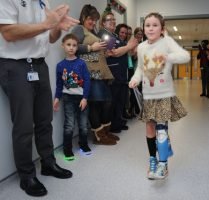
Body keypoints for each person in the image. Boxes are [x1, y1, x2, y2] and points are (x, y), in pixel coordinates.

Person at [0, 1, 78, 197]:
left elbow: (50, 38)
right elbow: (8, 32)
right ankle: (26, 176)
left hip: (39, 65)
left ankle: (48, 163)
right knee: (24, 126)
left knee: (45, 120)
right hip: (15, 66)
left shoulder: (43, 1)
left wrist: (57, 27)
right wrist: (47, 24)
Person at [129, 12, 190, 180]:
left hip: (164, 94)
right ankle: (153, 159)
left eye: (155, 25)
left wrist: (168, 56)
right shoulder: (141, 47)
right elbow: (140, 68)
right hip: (148, 96)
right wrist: (135, 79)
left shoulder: (167, 42)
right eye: (147, 25)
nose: (150, 28)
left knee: (161, 130)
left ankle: (163, 164)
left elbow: (186, 56)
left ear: (162, 29)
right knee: (149, 128)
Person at [72, 4, 118, 145]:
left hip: (100, 73)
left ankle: (105, 132)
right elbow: (72, 46)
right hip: (90, 74)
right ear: (83, 18)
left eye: (95, 19)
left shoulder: (92, 32)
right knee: (97, 104)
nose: (93, 22)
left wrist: (104, 52)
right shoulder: (79, 29)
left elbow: (94, 53)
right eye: (90, 19)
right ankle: (99, 135)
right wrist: (92, 47)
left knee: (106, 102)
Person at [98, 9, 138, 133]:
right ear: (103, 23)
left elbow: (124, 51)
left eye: (114, 19)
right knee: (113, 101)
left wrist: (129, 48)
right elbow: (113, 53)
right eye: (109, 20)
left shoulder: (114, 36)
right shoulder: (104, 35)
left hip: (121, 73)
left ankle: (119, 122)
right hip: (113, 73)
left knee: (120, 100)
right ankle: (113, 125)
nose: (113, 22)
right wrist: (129, 46)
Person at [53, 33, 91, 160]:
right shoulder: (60, 65)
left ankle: (83, 145)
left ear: (77, 47)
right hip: (68, 98)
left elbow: (87, 81)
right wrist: (57, 98)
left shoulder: (81, 63)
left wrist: (85, 98)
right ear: (63, 46)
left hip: (82, 99)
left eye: (74, 45)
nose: (71, 48)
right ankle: (67, 149)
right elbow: (59, 84)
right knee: (69, 124)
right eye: (68, 45)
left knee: (83, 124)